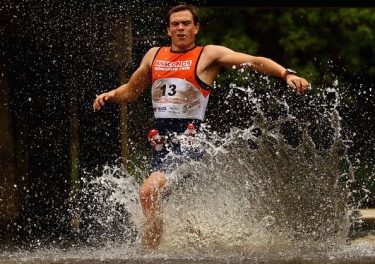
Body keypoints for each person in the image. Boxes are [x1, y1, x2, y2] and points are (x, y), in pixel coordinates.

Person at [93, 4, 310, 249]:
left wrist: (286, 74)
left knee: (147, 193)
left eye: (186, 23)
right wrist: (111, 94)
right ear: (168, 30)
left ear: (196, 28)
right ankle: (191, 243)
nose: (180, 28)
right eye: (175, 24)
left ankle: (149, 254)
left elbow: (254, 61)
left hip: (189, 143)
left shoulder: (208, 55)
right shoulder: (154, 55)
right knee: (163, 203)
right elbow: (132, 91)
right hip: (161, 146)